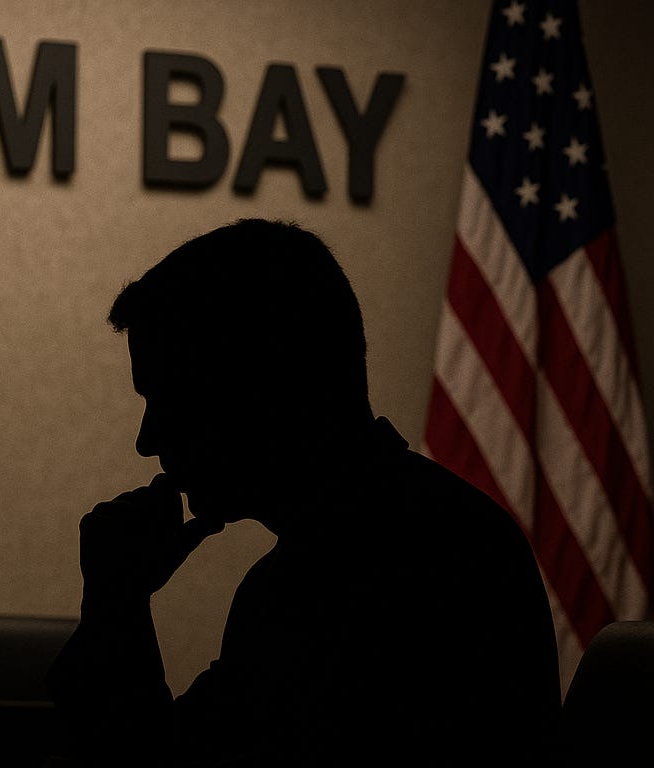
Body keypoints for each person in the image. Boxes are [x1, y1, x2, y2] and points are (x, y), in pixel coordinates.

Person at [45, 218, 563, 766]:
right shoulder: (404, 540)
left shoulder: (388, 574)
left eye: (168, 400)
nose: (147, 441)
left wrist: (116, 602)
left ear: (257, 389)